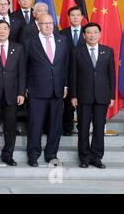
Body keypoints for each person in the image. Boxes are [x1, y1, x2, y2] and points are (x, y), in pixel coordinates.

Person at [25, 14, 69, 167]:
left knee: (55, 126)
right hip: (37, 90)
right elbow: (24, 67)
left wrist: (65, 85)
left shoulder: (62, 40)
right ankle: (33, 154)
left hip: (57, 90)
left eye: (50, 23)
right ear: (38, 25)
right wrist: (25, 87)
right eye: (44, 23)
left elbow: (65, 65)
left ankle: (51, 154)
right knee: (35, 124)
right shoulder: (29, 42)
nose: (48, 26)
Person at [70, 22, 115, 169]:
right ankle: (84, 157)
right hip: (83, 96)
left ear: (99, 34)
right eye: (89, 33)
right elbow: (73, 75)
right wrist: (74, 95)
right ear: (84, 35)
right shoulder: (77, 51)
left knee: (99, 127)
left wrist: (112, 96)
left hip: (102, 96)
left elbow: (111, 75)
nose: (92, 35)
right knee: (83, 127)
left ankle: (96, 156)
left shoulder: (107, 51)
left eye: (95, 32)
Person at [0, 20, 26, 166]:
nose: (2, 31)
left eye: (5, 29)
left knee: (10, 127)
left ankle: (8, 155)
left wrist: (21, 92)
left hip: (12, 93)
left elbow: (22, 72)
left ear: (9, 31)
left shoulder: (18, 48)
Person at [59, 6, 86, 136]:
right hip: (67, 73)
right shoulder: (61, 34)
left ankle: (82, 127)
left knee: (83, 103)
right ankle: (67, 128)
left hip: (84, 74)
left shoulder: (88, 33)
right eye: (72, 15)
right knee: (68, 103)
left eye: (78, 15)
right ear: (69, 17)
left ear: (82, 17)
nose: (75, 17)